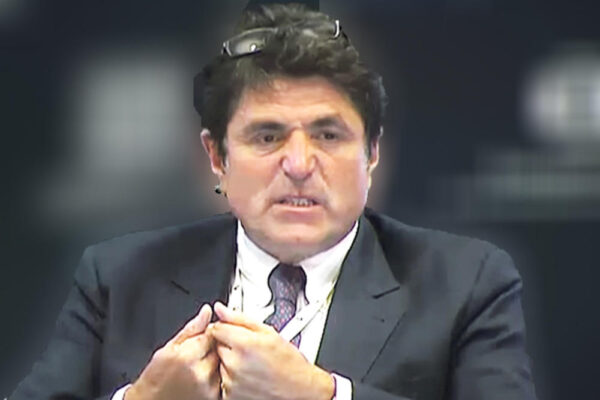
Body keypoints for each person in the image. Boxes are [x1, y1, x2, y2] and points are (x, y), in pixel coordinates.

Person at [11, 3, 537, 400]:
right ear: (217, 157)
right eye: (267, 137)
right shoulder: (118, 277)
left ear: (372, 153)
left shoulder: (466, 284)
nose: (300, 164)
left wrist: (324, 395)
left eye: (328, 135)